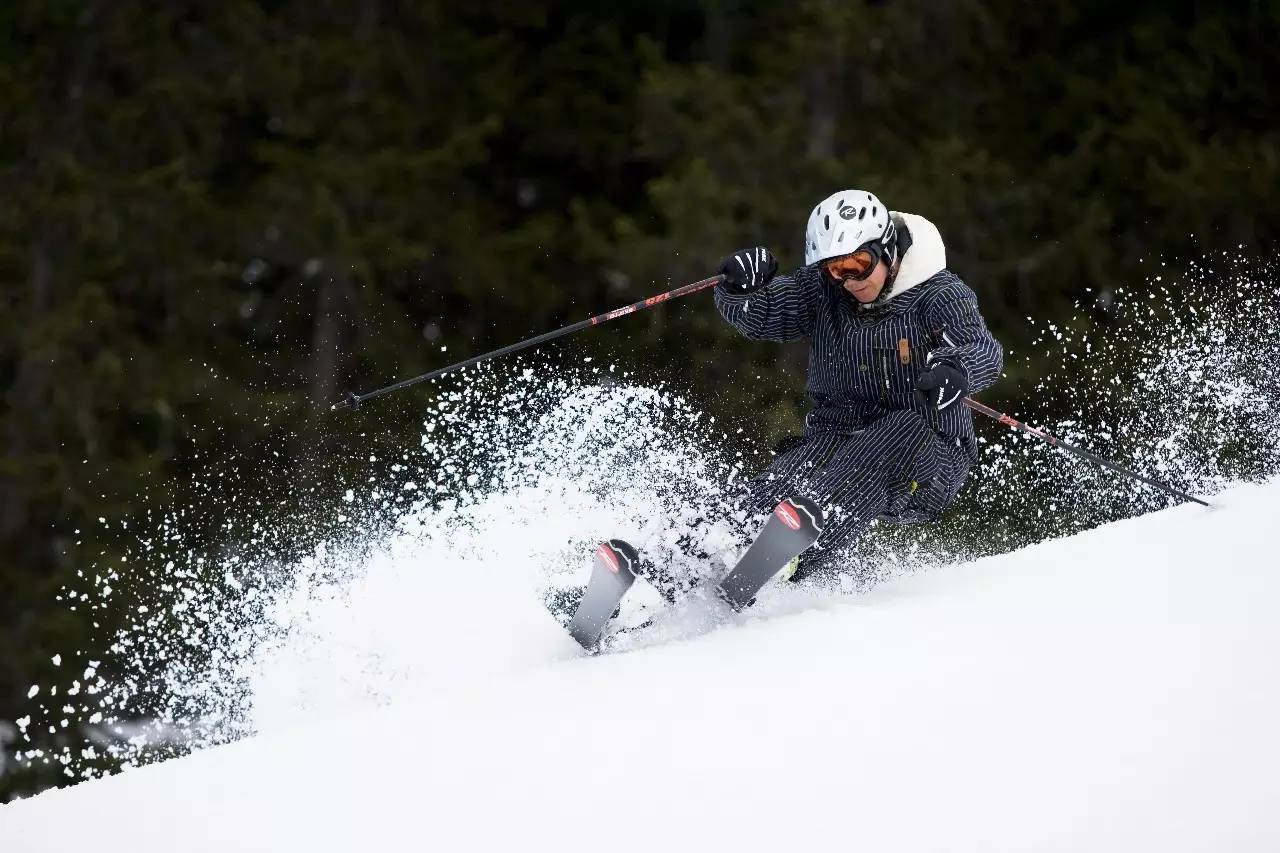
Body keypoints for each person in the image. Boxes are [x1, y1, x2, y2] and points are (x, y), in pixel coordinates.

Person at [713, 189, 1003, 579]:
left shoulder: (939, 294)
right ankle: (694, 549)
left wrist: (956, 370)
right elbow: (764, 314)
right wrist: (739, 290)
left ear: (886, 249)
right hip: (838, 436)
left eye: (859, 264)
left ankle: (790, 554)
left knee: (895, 435)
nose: (850, 279)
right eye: (837, 269)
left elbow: (980, 346)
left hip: (928, 452)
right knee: (789, 476)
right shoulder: (824, 291)